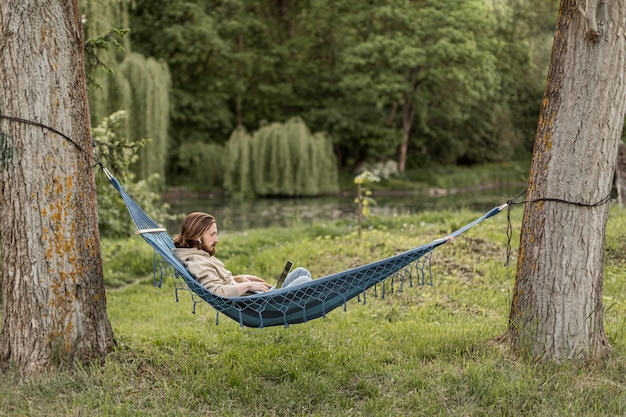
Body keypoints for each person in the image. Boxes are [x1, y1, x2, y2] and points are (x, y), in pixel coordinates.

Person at [172, 212, 312, 297]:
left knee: (301, 272)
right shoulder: (196, 261)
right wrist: (249, 286)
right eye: (212, 234)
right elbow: (216, 291)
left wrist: (239, 279)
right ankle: (302, 309)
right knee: (304, 282)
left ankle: (303, 307)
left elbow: (217, 281)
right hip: (257, 305)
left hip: (257, 298)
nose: (217, 240)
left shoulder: (199, 255)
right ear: (197, 237)